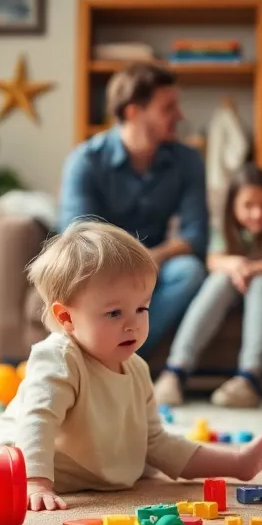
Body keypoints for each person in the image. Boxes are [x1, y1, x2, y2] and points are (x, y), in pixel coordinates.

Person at [0, 219, 262, 511]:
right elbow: (38, 421)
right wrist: (35, 482)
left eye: (142, 308)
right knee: (3, 469)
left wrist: (235, 463)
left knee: (144, 453)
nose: (133, 324)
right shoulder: (59, 358)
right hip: (18, 459)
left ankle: (239, 464)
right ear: (66, 318)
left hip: (93, 466)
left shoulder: (137, 368)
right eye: (114, 313)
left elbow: (156, 442)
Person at [57, 62, 209, 358]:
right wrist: (125, 265)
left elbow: (197, 236)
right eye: (168, 107)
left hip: (156, 268)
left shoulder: (187, 160)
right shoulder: (86, 161)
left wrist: (153, 257)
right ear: (132, 112)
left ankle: (117, 356)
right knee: (87, 280)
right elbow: (78, 237)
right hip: (100, 268)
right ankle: (109, 355)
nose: (180, 115)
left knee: (189, 272)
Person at [153, 165, 262, 408]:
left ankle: (249, 378)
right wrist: (235, 265)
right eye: (248, 206)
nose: (257, 214)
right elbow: (213, 260)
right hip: (236, 284)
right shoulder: (223, 225)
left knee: (261, 282)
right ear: (233, 206)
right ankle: (175, 370)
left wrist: (251, 269)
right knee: (219, 278)